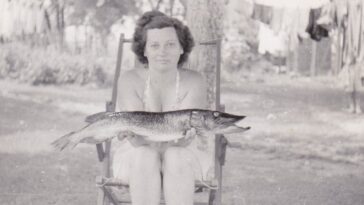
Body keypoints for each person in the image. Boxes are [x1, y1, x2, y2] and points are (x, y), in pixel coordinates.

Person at [112, 10, 212, 205]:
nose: (162, 52)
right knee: (144, 155)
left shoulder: (194, 81)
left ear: (182, 48)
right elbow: (137, 138)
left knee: (176, 155)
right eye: (155, 45)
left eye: (170, 44)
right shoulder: (129, 80)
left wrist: (172, 142)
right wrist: (137, 138)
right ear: (145, 50)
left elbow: (183, 138)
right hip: (136, 153)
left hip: (185, 154)